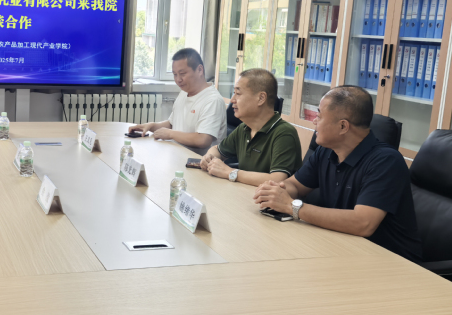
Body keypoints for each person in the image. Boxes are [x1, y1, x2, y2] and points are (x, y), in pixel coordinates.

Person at [253, 85, 422, 262]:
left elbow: (363, 223)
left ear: (343, 126)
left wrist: (292, 207)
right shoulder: (326, 150)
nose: (314, 121)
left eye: (319, 116)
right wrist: (277, 191)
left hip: (389, 262)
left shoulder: (386, 161)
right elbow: (296, 184)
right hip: (340, 248)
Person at [200, 69, 302, 186]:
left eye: (238, 93)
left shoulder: (284, 133)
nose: (232, 100)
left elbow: (277, 179)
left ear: (261, 98)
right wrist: (209, 158)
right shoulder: (244, 128)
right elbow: (218, 150)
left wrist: (230, 172)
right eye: (234, 93)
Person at [128, 48, 226, 154]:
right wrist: (151, 126)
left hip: (198, 161)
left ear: (199, 70)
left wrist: (170, 134)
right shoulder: (184, 92)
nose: (178, 80)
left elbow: (203, 139)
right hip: (176, 154)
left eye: (182, 73)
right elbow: (172, 124)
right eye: (175, 74)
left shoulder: (213, 100)